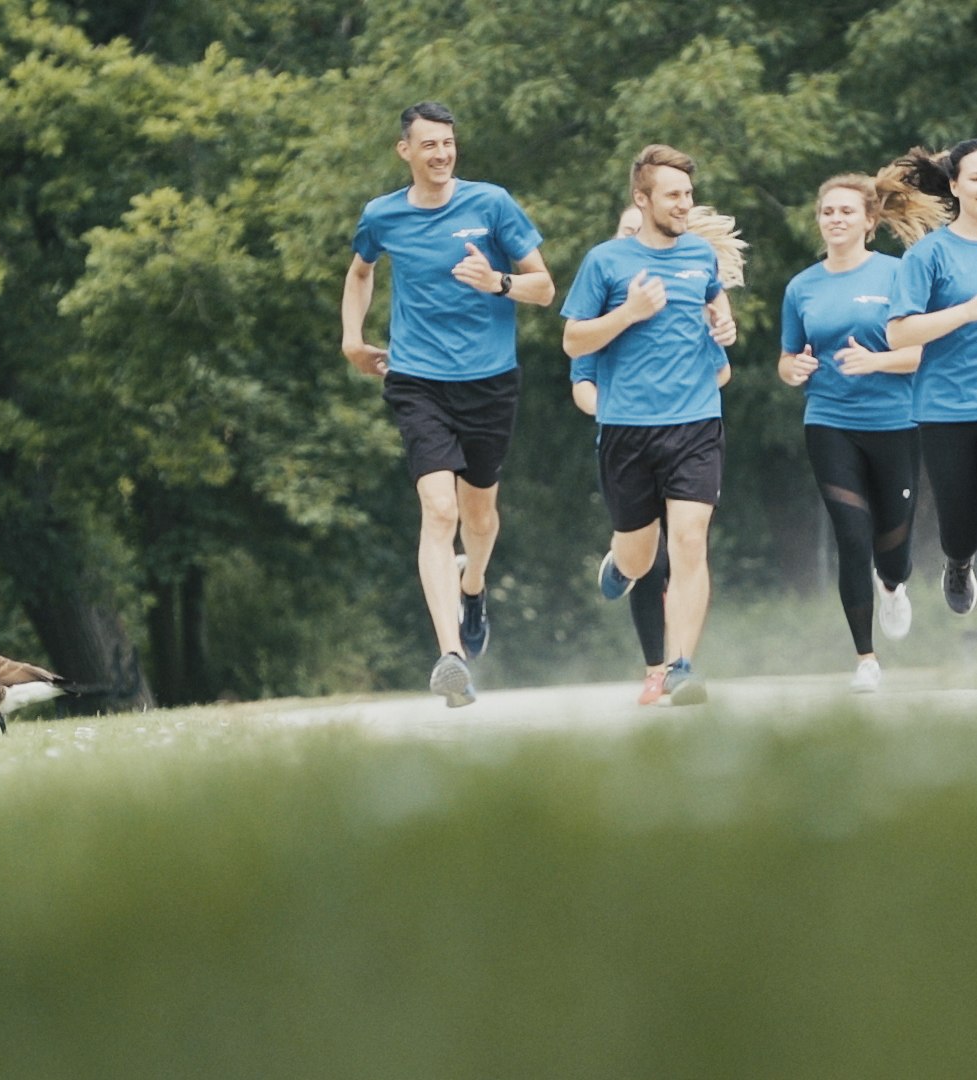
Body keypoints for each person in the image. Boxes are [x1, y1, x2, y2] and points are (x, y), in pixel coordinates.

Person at [341, 101, 555, 708]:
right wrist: (353, 340)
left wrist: (500, 283)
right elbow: (361, 272)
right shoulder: (381, 215)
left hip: (489, 381)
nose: (441, 154)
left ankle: (475, 582)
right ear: (404, 151)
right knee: (439, 511)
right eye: (428, 144)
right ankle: (452, 657)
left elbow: (544, 286)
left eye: (448, 143)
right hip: (417, 380)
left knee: (479, 516)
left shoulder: (490, 204)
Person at [561, 145, 737, 705]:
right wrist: (628, 313)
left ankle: (682, 665)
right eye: (673, 195)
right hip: (627, 431)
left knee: (689, 542)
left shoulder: (702, 257)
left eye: (688, 194)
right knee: (641, 558)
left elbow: (713, 306)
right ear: (642, 200)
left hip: (695, 423)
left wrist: (723, 323)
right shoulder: (605, 263)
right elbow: (573, 340)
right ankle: (620, 559)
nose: (685, 204)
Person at [778, 171, 943, 692]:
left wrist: (875, 363)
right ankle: (866, 659)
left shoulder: (898, 276)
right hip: (829, 422)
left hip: (896, 422)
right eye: (827, 211)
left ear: (870, 221)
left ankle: (892, 584)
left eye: (847, 211)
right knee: (851, 534)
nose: (835, 219)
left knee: (891, 550)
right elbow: (787, 359)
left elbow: (920, 353)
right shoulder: (801, 286)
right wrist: (794, 370)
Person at [885, 140, 977, 617]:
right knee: (961, 522)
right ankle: (959, 561)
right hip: (949, 406)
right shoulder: (930, 255)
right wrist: (967, 311)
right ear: (956, 185)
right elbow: (899, 334)